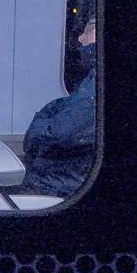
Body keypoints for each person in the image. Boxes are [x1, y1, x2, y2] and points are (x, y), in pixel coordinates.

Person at [22, 16, 98, 197]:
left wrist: (40, 123)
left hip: (60, 187)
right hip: (60, 181)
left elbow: (58, 134)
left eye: (88, 30)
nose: (80, 39)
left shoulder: (96, 86)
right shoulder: (90, 82)